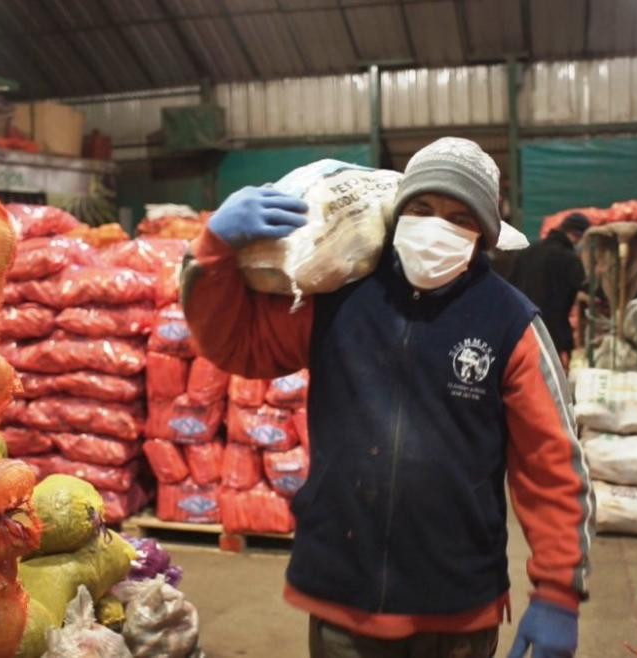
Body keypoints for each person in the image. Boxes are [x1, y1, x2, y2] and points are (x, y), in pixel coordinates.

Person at [181, 138, 593, 658]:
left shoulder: (510, 323)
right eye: (421, 209)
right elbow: (237, 344)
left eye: (458, 216)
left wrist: (559, 592)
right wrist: (214, 248)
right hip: (342, 594)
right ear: (397, 215)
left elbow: (551, 461)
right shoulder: (339, 298)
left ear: (483, 236)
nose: (436, 225)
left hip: (456, 608)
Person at [507, 214, 590, 366]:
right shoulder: (570, 259)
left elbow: (509, 288)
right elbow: (588, 288)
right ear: (576, 236)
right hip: (552, 336)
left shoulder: (527, 252)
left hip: (521, 332)